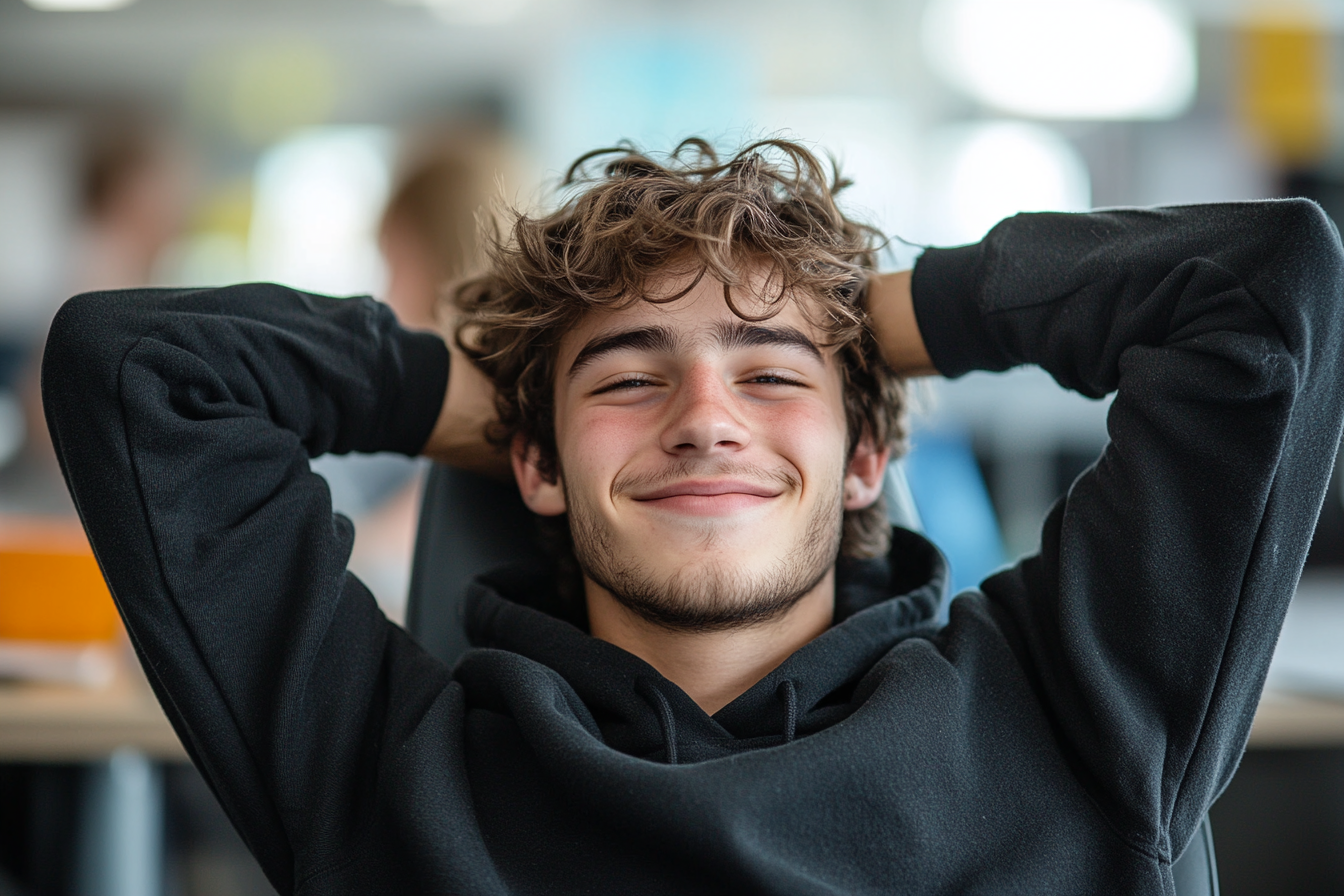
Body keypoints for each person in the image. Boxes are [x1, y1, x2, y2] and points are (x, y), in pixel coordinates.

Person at [42, 139, 1344, 894]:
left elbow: (1267, 284)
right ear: (533, 466)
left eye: (770, 378)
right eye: (630, 380)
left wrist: (882, 325)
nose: (706, 417)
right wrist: (489, 393)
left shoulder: (1077, 709)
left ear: (865, 461)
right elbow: (138, 367)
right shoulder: (392, 766)